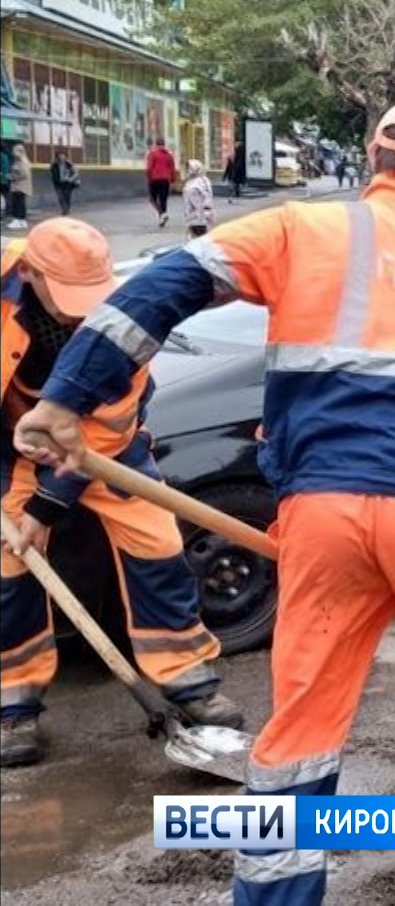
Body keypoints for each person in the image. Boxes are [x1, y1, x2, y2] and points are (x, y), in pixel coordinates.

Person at [13, 100, 395, 904]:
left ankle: (274, 890)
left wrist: (65, 398)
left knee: (306, 712)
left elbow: (162, 287)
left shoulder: (299, 228)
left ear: (372, 157)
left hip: (323, 510)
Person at [1, 218, 242, 768]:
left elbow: (103, 432)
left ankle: (189, 682)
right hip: (13, 450)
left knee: (157, 547)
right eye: (65, 296)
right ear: (31, 273)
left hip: (103, 447)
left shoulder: (124, 327)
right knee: (10, 569)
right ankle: (13, 705)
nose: (77, 311)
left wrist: (46, 507)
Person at [144, 138, 176, 228]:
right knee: (163, 199)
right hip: (166, 180)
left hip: (155, 179)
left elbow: (149, 167)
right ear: (164, 145)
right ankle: (163, 215)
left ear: (156, 145)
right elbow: (172, 168)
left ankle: (162, 214)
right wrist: (172, 179)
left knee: (152, 198)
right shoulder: (169, 156)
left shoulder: (152, 154)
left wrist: (148, 178)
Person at [182, 159, 215, 238]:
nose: (186, 171)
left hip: (197, 216)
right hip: (206, 213)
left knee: (196, 239)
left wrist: (195, 216)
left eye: (188, 169)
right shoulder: (205, 180)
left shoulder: (193, 185)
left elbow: (196, 202)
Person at [5, 142, 32, 230]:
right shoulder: (21, 160)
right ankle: (21, 221)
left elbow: (24, 174)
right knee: (20, 204)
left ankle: (18, 220)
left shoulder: (22, 161)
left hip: (19, 186)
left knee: (18, 204)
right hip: (19, 186)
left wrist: (12, 177)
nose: (13, 153)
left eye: (14, 151)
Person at [49, 151, 79, 217]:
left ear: (65, 156)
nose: (61, 157)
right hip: (58, 183)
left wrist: (70, 179)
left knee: (67, 197)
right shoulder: (54, 164)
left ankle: (66, 210)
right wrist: (54, 179)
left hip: (67, 183)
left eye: (63, 156)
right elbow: (51, 173)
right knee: (60, 197)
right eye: (60, 156)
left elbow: (76, 172)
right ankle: (64, 209)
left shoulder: (69, 163)